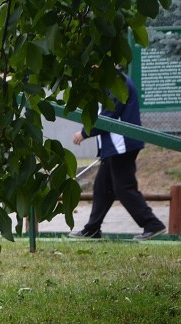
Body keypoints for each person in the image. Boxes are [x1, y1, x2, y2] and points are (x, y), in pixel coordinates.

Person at [68, 70, 166, 241]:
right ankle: (92, 229)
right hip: (113, 147)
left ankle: (153, 225)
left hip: (121, 146)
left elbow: (109, 116)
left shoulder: (117, 83)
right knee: (102, 188)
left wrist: (85, 132)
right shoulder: (112, 82)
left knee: (124, 188)